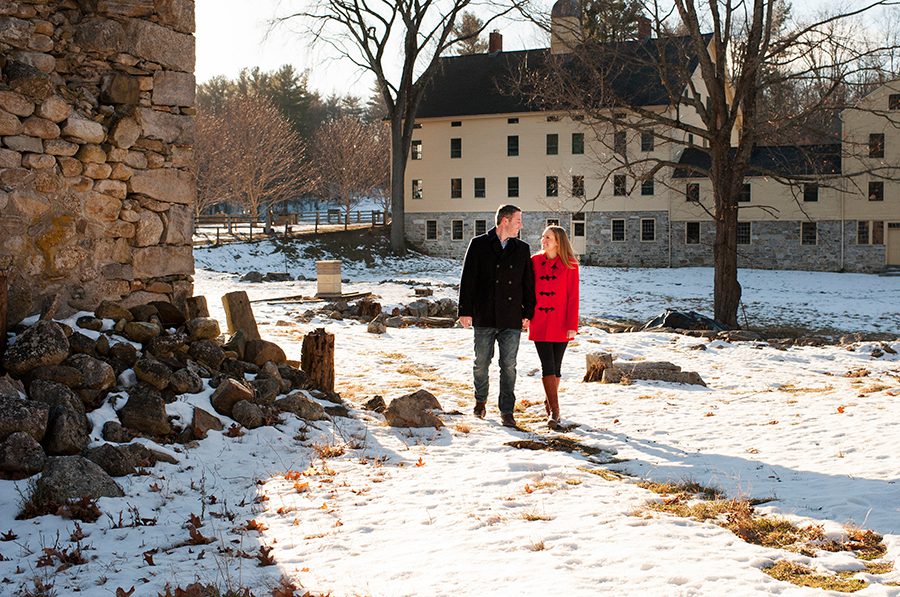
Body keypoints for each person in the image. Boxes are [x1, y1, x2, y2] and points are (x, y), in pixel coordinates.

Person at [458, 205, 536, 428]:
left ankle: (507, 411)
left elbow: (527, 284)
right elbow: (468, 279)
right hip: (484, 315)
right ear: (505, 221)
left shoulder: (522, 249)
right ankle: (480, 401)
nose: (521, 225)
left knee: (509, 365)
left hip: (511, 318)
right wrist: (465, 310)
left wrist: (528, 312)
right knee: (481, 363)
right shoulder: (479, 244)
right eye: (518, 220)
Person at [529, 225, 579, 430]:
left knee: (556, 368)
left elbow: (573, 298)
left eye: (548, 237)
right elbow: (527, 291)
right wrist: (525, 315)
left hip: (561, 322)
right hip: (539, 321)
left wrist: (572, 325)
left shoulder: (571, 265)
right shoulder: (534, 262)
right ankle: (555, 413)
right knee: (547, 365)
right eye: (543, 237)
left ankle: (549, 402)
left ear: (558, 241)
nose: (544, 240)